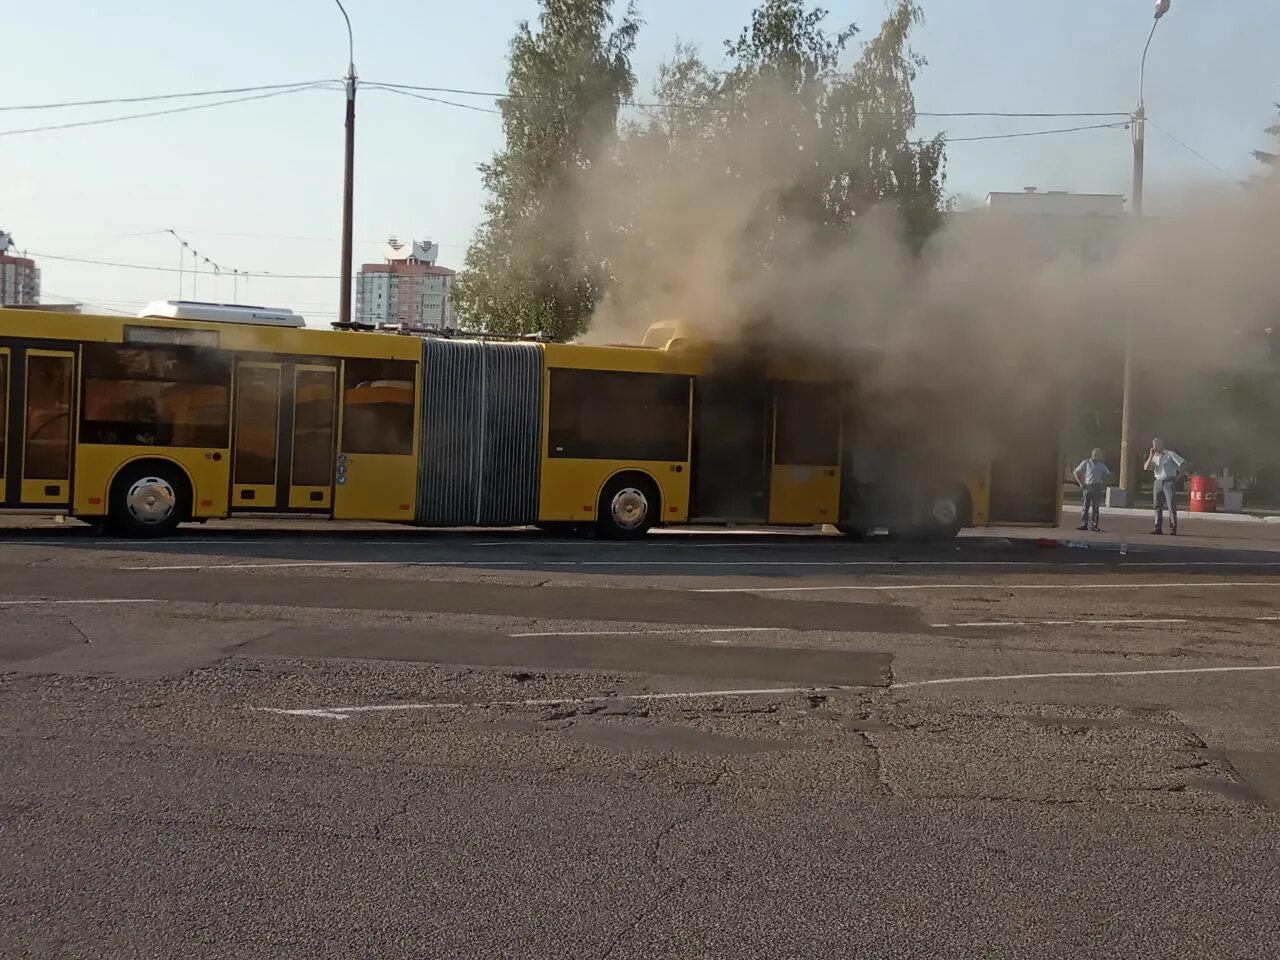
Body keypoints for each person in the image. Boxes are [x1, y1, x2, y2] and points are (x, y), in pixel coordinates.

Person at [1144, 438, 1186, 535]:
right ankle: (1157, 527)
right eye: (1154, 445)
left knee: (1171, 505)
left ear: (1161, 445)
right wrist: (1151, 455)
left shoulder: (1170, 454)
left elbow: (1183, 463)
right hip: (1158, 482)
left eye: (1157, 445)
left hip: (1169, 481)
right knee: (1157, 505)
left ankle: (1173, 527)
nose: (1155, 447)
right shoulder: (1154, 456)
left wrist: (1180, 475)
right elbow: (1146, 467)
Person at [1073, 448, 1111, 531]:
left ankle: (1094, 525)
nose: (1096, 456)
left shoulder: (1101, 465)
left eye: (1098, 455)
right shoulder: (1086, 462)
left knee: (1096, 507)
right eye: (1095, 454)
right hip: (1087, 486)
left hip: (1097, 487)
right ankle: (1084, 524)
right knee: (1085, 507)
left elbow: (1108, 475)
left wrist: (1104, 485)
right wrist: (1080, 483)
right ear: (1092, 454)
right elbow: (1076, 472)